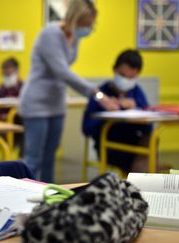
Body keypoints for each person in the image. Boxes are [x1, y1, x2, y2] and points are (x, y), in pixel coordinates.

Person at [19, 0, 115, 182]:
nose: (88, 28)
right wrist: (97, 93)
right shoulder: (51, 33)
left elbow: (64, 72)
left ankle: (49, 198)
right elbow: (62, 71)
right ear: (74, 18)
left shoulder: (74, 37)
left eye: (91, 24)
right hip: (36, 103)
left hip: (56, 103)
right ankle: (22, 198)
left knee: (49, 159)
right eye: (86, 24)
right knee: (33, 159)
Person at [82, 49, 152, 173]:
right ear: (114, 69)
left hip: (134, 145)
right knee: (145, 158)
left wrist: (136, 107)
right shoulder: (102, 94)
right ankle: (144, 176)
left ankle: (144, 174)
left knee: (151, 140)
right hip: (108, 146)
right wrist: (109, 117)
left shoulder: (136, 92)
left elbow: (149, 126)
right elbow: (86, 128)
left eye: (131, 77)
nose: (126, 81)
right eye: (123, 75)